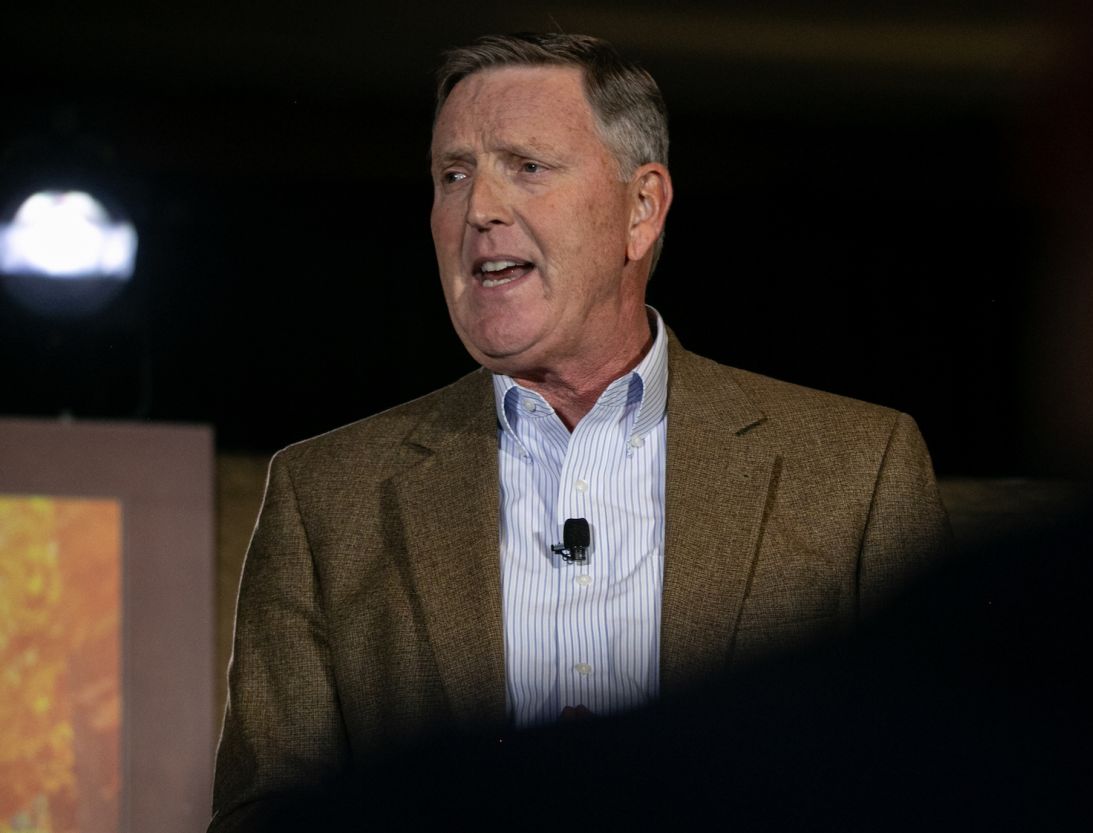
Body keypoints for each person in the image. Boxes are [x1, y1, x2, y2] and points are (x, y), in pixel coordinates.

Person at [208, 33, 950, 832]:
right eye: (452, 174)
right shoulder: (325, 498)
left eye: (526, 166)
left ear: (642, 208)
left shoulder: (854, 471)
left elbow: (946, 780)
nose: (479, 208)